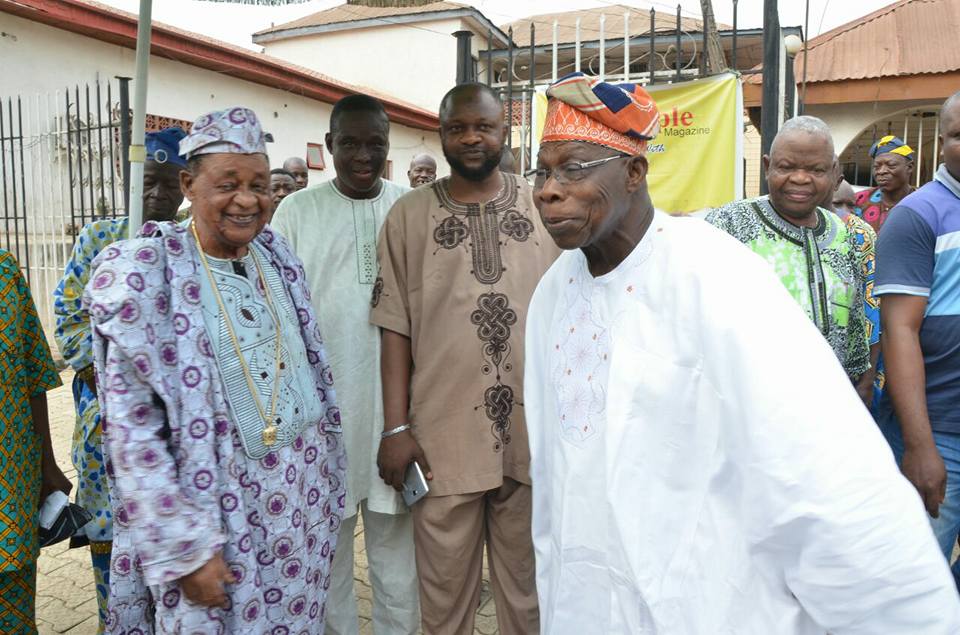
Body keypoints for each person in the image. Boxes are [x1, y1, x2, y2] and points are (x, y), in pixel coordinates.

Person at [523, 72, 960, 634]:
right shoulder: (553, 295)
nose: (547, 190)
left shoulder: (715, 277)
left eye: (574, 168)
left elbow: (822, 472)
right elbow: (557, 469)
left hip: (704, 592)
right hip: (587, 594)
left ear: (634, 172)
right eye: (542, 170)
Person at [85, 107, 346, 632]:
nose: (247, 199)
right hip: (214, 523)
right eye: (227, 184)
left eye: (258, 183)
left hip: (299, 512)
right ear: (188, 184)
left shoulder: (276, 257)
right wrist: (185, 551)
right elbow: (133, 434)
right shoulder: (147, 275)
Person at [371, 82, 557, 635]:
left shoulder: (543, 204)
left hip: (532, 438)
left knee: (529, 599)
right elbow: (393, 327)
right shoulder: (408, 216)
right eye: (458, 128)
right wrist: (396, 427)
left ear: (506, 133)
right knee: (444, 602)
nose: (472, 138)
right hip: (441, 440)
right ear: (442, 134)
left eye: (484, 127)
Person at [272, 94, 419, 635]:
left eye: (375, 144)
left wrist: (405, 422)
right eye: (350, 143)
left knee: (399, 562)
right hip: (321, 420)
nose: (363, 155)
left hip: (393, 417)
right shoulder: (295, 212)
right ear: (329, 145)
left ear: (388, 149)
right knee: (325, 558)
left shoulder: (409, 207)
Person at [52, 126, 187, 632]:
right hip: (106, 426)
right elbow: (68, 311)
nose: (158, 195)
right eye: (148, 182)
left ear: (187, 184)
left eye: (170, 184)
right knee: (112, 548)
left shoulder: (191, 243)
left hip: (175, 428)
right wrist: (112, 377)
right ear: (130, 181)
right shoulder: (99, 237)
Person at [707, 116, 873, 397]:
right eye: (786, 167)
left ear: (834, 173)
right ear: (767, 166)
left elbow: (854, 323)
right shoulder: (727, 225)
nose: (800, 178)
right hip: (748, 404)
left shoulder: (843, 235)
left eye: (816, 170)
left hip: (829, 404)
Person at [875, 92, 960, 586]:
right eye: (958, 135)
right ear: (942, 143)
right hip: (942, 431)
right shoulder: (919, 215)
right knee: (917, 582)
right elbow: (899, 331)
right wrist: (921, 446)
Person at [0, 249, 71, 633]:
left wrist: (47, 464)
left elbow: (35, 375)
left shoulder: (4, 271)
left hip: (9, 487)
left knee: (13, 613)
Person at [826, 174, 881, 407]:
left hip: (851, 373)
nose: (845, 212)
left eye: (852, 206)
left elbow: (874, 312)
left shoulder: (861, 235)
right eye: (838, 204)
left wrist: (867, 382)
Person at [855, 135, 915, 233]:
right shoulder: (859, 200)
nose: (881, 171)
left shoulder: (923, 202)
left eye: (891, 165)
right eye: (876, 166)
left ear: (909, 167)